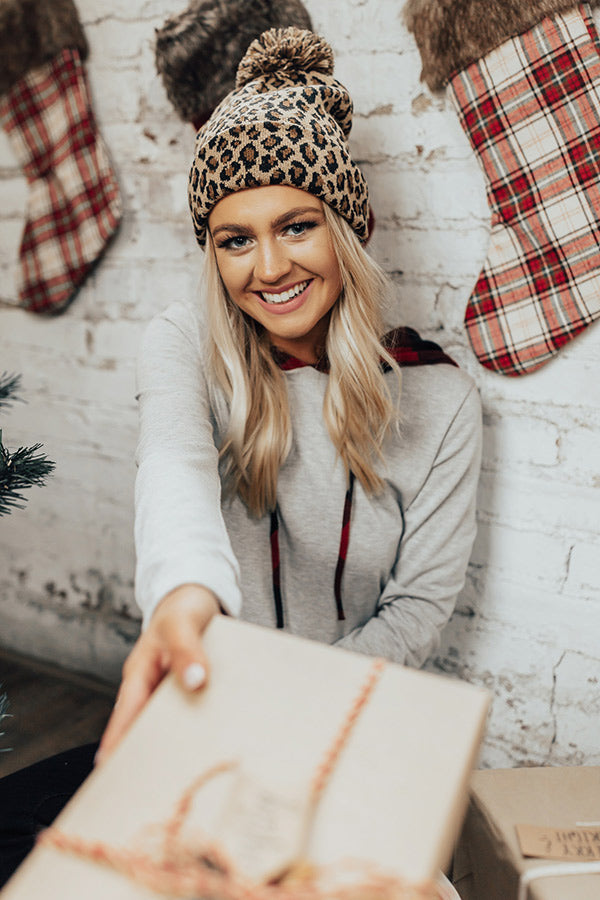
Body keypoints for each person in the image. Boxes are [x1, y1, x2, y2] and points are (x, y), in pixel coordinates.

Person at [0, 26, 481, 887]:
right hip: (198, 711)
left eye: (297, 226)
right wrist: (185, 596)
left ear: (348, 228)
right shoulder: (181, 343)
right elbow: (174, 473)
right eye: (234, 238)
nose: (269, 268)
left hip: (343, 729)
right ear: (210, 250)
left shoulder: (440, 398)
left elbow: (416, 607)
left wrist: (284, 709)